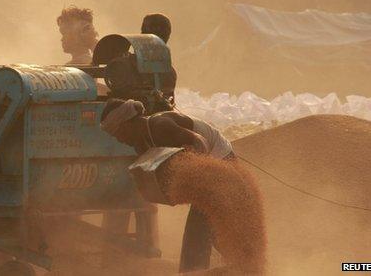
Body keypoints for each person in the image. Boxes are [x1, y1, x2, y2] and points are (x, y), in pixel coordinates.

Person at [100, 99, 266, 274]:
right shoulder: (141, 144)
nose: (119, 139)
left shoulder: (159, 125)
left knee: (205, 223)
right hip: (206, 176)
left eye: (118, 133)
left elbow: (199, 142)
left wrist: (199, 171)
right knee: (207, 227)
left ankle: (208, 269)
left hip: (221, 162)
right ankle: (227, 267)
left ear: (128, 123)